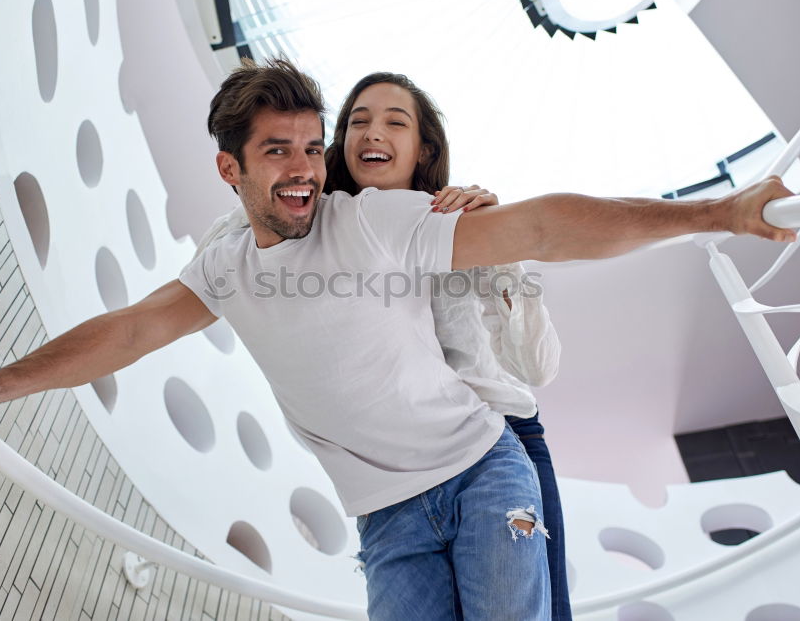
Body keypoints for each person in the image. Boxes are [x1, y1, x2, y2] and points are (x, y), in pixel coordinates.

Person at [0, 58, 796, 620]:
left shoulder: (377, 221)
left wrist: (718, 211)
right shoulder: (222, 265)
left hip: (486, 469)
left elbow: (546, 228)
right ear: (231, 168)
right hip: (389, 521)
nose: (303, 168)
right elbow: (131, 330)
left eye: (307, 147)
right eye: (278, 152)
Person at [202, 70, 571, 618]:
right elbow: (225, 246)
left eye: (394, 122)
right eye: (358, 121)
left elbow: (536, 368)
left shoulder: (457, 223)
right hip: (399, 480)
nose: (372, 133)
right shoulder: (318, 229)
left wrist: (500, 240)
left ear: (423, 149)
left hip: (499, 442)